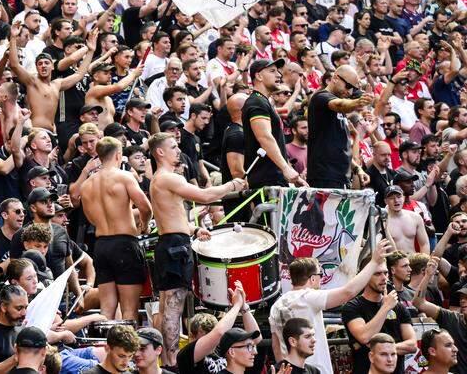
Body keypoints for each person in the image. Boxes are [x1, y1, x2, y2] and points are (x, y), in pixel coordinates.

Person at [148, 131, 245, 366]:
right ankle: (172, 362)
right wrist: (231, 185)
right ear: (160, 152)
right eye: (173, 146)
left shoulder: (161, 179)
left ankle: (167, 360)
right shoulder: (167, 178)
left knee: (167, 306)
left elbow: (171, 216)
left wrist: (193, 229)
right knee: (173, 307)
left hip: (171, 242)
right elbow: (205, 195)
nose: (178, 150)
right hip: (174, 246)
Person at [268, 242, 393, 374]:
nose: (321, 279)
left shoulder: (276, 305)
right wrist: (373, 262)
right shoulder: (308, 296)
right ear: (312, 279)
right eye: (320, 275)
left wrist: (283, 369)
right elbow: (348, 292)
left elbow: (276, 346)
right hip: (312, 369)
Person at [80, 136, 151, 320]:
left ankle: (106, 340)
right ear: (118, 155)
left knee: (106, 310)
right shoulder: (124, 177)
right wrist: (144, 225)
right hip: (124, 244)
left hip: (101, 245)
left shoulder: (86, 185)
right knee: (129, 309)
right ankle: (127, 340)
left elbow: (91, 219)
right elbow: (146, 208)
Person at [341, 257, 417, 374]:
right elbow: (364, 336)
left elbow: (412, 345)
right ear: (365, 276)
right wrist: (385, 308)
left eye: (385, 273)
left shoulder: (398, 307)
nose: (384, 278)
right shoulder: (353, 307)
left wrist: (382, 350)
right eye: (377, 274)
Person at [306, 64, 375, 189]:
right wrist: (358, 101)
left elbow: (339, 149)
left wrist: (357, 168)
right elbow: (340, 104)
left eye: (353, 89)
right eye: (348, 86)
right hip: (324, 176)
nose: (350, 92)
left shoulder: (340, 111)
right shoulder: (321, 97)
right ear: (335, 78)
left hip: (341, 177)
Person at [244, 59, 306, 188]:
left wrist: (291, 172)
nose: (279, 75)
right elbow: (265, 137)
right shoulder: (257, 102)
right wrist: (286, 169)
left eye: (278, 71)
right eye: (272, 71)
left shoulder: (263, 102)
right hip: (266, 181)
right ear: (259, 76)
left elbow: (276, 142)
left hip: (274, 178)